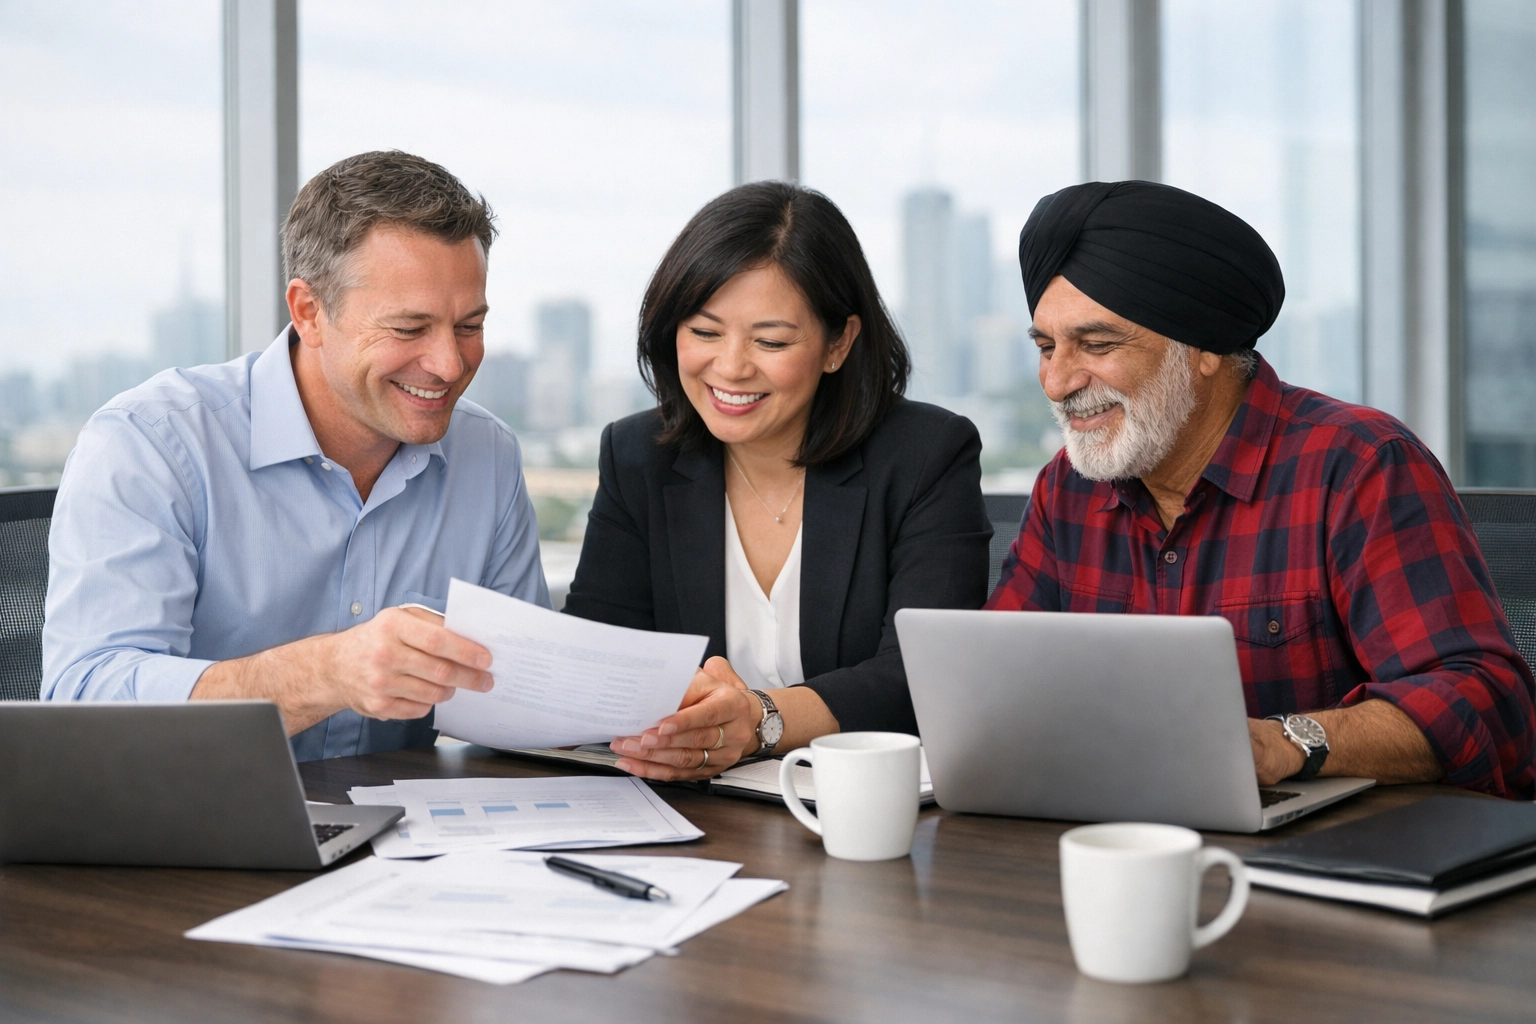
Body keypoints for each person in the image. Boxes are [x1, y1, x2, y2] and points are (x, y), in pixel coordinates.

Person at [987, 179, 1536, 798]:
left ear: (1202, 348)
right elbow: (996, 683)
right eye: (1045, 346)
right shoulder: (1068, 489)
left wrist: (1285, 743)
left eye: (1097, 344)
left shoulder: (1359, 465)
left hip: (1342, 860)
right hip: (1120, 835)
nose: (1057, 382)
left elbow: (1487, 702)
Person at [42, 150, 547, 759]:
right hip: (196, 832)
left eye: (469, 325)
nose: (448, 364)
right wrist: (326, 672)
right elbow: (84, 703)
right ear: (309, 311)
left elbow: (524, 696)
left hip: (412, 838)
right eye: (410, 329)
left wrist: (659, 720)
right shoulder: (151, 443)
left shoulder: (487, 454)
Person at [563, 181, 991, 781]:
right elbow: (596, 655)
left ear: (838, 343)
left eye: (771, 341)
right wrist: (680, 711)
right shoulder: (637, 455)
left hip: (857, 806)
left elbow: (923, 675)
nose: (732, 367)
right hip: (682, 804)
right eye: (705, 332)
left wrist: (759, 720)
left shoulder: (925, 455)